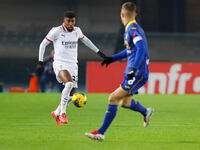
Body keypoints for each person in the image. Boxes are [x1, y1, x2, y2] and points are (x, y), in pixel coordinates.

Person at [85, 2, 154, 141]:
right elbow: (131, 50)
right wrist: (112, 58)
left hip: (137, 72)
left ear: (122, 15)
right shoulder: (131, 28)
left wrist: (134, 69)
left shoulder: (132, 29)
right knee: (125, 103)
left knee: (113, 98)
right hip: (134, 71)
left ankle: (101, 132)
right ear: (135, 14)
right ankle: (146, 111)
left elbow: (141, 49)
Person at [37, 11, 106, 125]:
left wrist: (99, 53)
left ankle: (56, 112)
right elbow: (43, 44)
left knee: (71, 92)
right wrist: (40, 62)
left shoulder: (77, 31)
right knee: (68, 84)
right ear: (64, 20)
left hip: (73, 65)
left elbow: (87, 41)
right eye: (68, 21)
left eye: (72, 21)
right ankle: (63, 114)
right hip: (60, 63)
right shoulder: (56, 31)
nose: (70, 23)